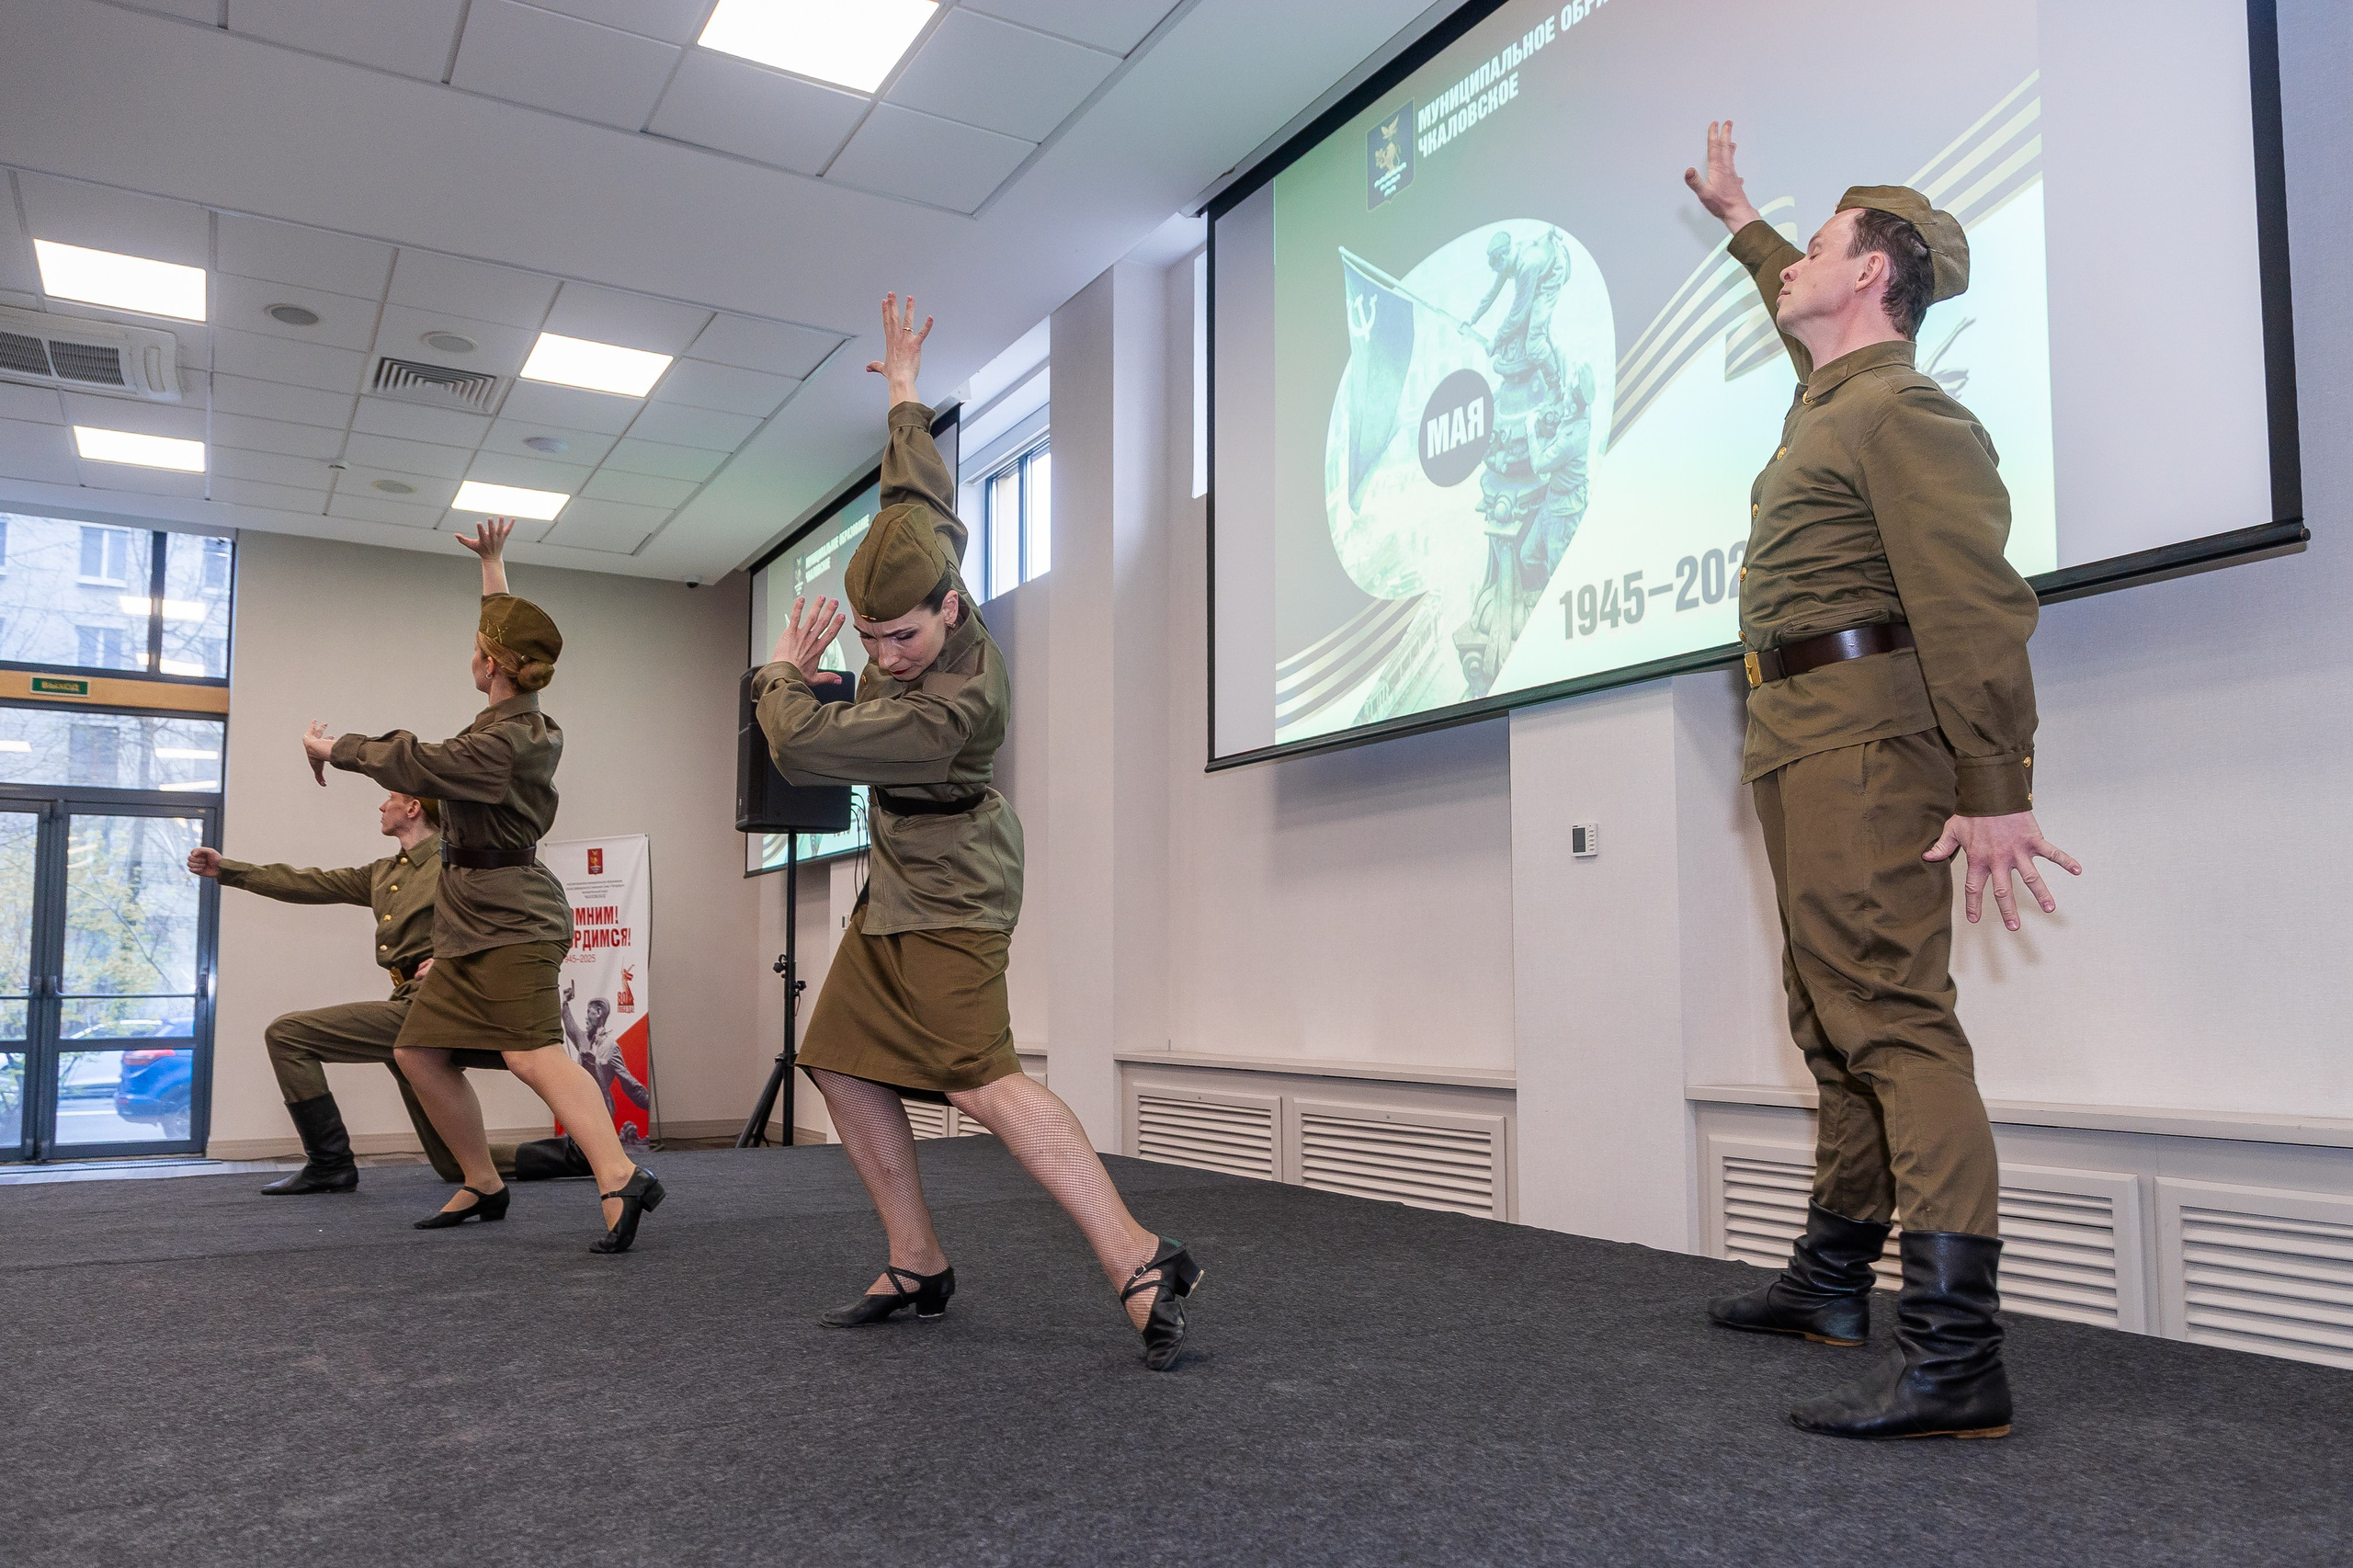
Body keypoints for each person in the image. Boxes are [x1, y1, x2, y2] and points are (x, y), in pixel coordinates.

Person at [1682, 122, 2081, 1439]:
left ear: (1873, 274)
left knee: (1895, 1021)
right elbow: (1789, 296)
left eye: (1814, 247)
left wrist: (1996, 781)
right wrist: (1743, 217)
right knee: (1830, 1012)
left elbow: (1975, 599)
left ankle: (1959, 1355)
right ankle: (1832, 1279)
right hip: (1802, 735)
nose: (1790, 263)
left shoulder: (1904, 409)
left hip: (1867, 738)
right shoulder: (1837, 397)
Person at [755, 292, 1201, 1371]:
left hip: (954, 879)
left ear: (952, 607)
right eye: (867, 635)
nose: (883, 650)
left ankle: (1140, 1254)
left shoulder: (949, 709)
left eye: (899, 635)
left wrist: (784, 665)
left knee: (979, 1078)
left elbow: (801, 749)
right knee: (841, 1060)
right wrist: (906, 388)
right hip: (900, 873)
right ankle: (917, 1256)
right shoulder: (928, 552)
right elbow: (919, 485)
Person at [301, 518, 663, 1253]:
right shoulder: (511, 717)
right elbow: (502, 631)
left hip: (514, 919)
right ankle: (482, 1182)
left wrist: (330, 747)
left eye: (479, 649)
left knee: (534, 1054)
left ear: (491, 664)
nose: (474, 654)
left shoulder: (498, 746)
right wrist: (494, 568)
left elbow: (412, 763)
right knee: (417, 1052)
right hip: (470, 921)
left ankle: (622, 1175)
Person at [189, 792, 520, 1193]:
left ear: (413, 807)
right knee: (453, 1163)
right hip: (410, 1002)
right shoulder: (383, 873)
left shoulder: (457, 861)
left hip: (445, 1003)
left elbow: (510, 919)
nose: (381, 807)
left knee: (288, 1034)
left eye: (390, 799)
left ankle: (330, 1164)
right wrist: (228, 869)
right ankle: (569, 1154)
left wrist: (454, 959)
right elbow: (309, 882)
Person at [562, 979, 650, 1128]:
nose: (586, 1017)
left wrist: (649, 1103)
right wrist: (565, 1001)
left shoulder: (610, 1046)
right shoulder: (583, 1038)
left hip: (601, 1108)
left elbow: (629, 1084)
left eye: (589, 1012)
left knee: (600, 1148)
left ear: (599, 1013)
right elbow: (570, 1026)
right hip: (580, 1105)